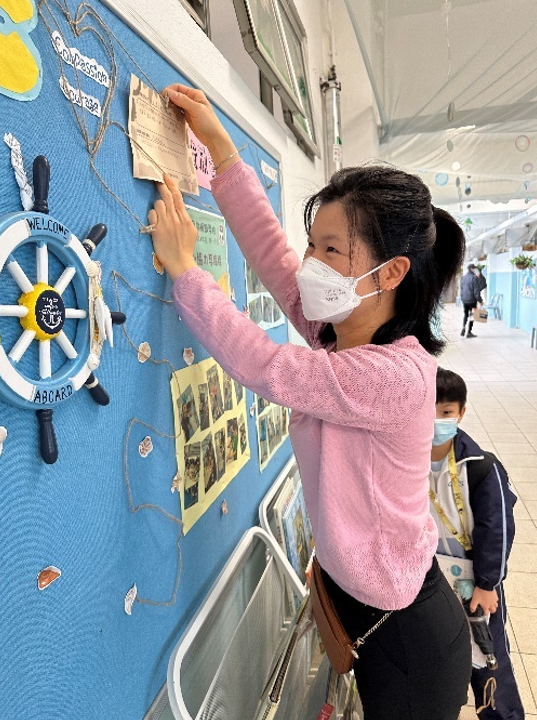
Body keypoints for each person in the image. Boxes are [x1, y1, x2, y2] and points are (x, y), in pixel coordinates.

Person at [148, 84, 472, 720]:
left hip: (409, 643)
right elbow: (273, 256)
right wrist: (222, 151)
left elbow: (267, 367)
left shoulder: (394, 375)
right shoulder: (343, 330)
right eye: (314, 244)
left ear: (391, 273)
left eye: (330, 251)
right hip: (365, 614)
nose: (309, 264)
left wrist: (188, 273)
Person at [431, 368, 523, 720]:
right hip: (431, 579)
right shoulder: (404, 460)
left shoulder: (481, 467)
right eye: (428, 410)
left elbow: (497, 531)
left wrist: (487, 584)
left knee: (488, 659)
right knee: (442, 653)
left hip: (472, 580)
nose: (436, 420)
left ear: (461, 413)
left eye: (446, 412)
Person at [460, 263, 483, 338]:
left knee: (466, 314)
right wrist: (480, 300)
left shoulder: (463, 277)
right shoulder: (474, 277)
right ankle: (469, 332)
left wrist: (462, 298)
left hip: (465, 300)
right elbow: (476, 291)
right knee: (472, 315)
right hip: (472, 300)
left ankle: (463, 328)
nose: (476, 270)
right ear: (472, 269)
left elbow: (462, 289)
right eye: (475, 268)